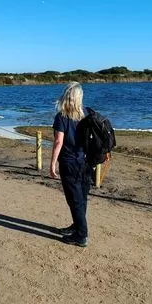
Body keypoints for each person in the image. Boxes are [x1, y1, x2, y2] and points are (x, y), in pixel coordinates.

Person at [50, 82, 91, 247]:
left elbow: (58, 141)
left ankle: (81, 235)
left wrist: (52, 163)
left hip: (69, 162)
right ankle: (77, 226)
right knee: (81, 198)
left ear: (66, 96)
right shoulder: (87, 113)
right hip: (86, 162)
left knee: (74, 200)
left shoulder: (62, 116)